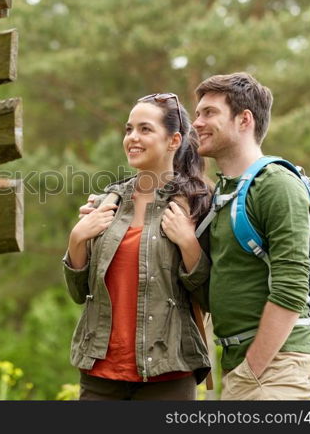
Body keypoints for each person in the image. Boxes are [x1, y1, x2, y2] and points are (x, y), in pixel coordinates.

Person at [63, 93, 212, 400]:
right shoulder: (109, 201)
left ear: (173, 141)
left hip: (168, 373)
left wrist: (188, 244)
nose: (132, 137)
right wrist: (77, 239)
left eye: (145, 129)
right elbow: (80, 293)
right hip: (100, 373)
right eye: (129, 129)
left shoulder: (197, 205)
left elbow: (210, 298)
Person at [190, 72, 310, 400]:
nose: (196, 123)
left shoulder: (276, 184)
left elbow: (291, 287)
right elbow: (214, 292)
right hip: (241, 366)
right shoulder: (223, 193)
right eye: (197, 114)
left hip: (277, 365)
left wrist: (253, 368)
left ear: (244, 119)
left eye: (209, 113)